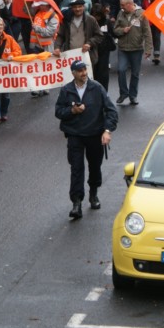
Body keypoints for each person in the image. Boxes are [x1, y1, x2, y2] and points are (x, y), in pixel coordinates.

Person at [55, 59, 118, 219]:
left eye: (85, 70)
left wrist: (107, 130)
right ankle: (76, 203)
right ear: (73, 73)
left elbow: (111, 111)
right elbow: (58, 111)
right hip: (75, 135)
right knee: (76, 169)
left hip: (94, 134)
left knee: (95, 167)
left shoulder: (96, 88)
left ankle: (93, 193)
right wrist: (72, 111)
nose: (84, 73)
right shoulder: (67, 90)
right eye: (80, 70)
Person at [113, 0, 153, 105]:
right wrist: (122, 30)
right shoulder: (121, 13)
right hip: (123, 48)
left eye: (123, 5)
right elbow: (115, 30)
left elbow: (147, 32)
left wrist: (148, 48)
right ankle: (123, 93)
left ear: (130, 4)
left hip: (136, 48)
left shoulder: (141, 14)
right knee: (121, 70)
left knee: (135, 73)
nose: (121, 7)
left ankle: (133, 96)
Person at [59, 0, 103, 67]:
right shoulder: (67, 20)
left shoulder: (91, 20)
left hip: (86, 55)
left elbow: (99, 36)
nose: (77, 9)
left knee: (86, 76)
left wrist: (89, 43)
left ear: (84, 7)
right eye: (75, 7)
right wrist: (57, 48)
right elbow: (60, 35)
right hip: (70, 56)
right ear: (72, 8)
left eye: (80, 6)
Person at [29, 0, 60, 97]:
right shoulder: (38, 12)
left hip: (46, 46)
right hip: (35, 45)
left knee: (46, 67)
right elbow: (26, 10)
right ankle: (37, 88)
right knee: (36, 67)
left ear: (46, 5)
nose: (39, 6)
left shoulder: (53, 16)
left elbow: (50, 32)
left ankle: (46, 87)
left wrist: (37, 29)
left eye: (41, 4)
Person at [90, 3, 116, 91]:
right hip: (93, 50)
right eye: (95, 15)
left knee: (103, 73)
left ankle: (104, 91)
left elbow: (113, 33)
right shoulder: (89, 22)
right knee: (93, 72)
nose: (97, 18)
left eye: (98, 16)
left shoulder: (107, 22)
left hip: (104, 51)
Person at [141, 0, 163, 65]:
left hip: (158, 19)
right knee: (149, 36)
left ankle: (157, 53)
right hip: (148, 19)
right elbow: (143, 6)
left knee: (157, 35)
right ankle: (149, 51)